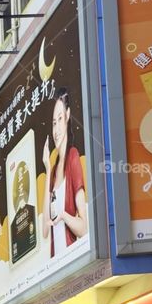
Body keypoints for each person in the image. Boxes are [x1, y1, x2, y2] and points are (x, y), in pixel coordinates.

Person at [41, 89, 88, 261]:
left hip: (73, 259)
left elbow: (84, 228)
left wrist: (63, 216)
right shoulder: (53, 171)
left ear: (67, 115)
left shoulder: (73, 157)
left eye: (60, 119)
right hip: (57, 263)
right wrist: (47, 169)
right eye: (54, 123)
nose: (56, 129)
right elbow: (45, 230)